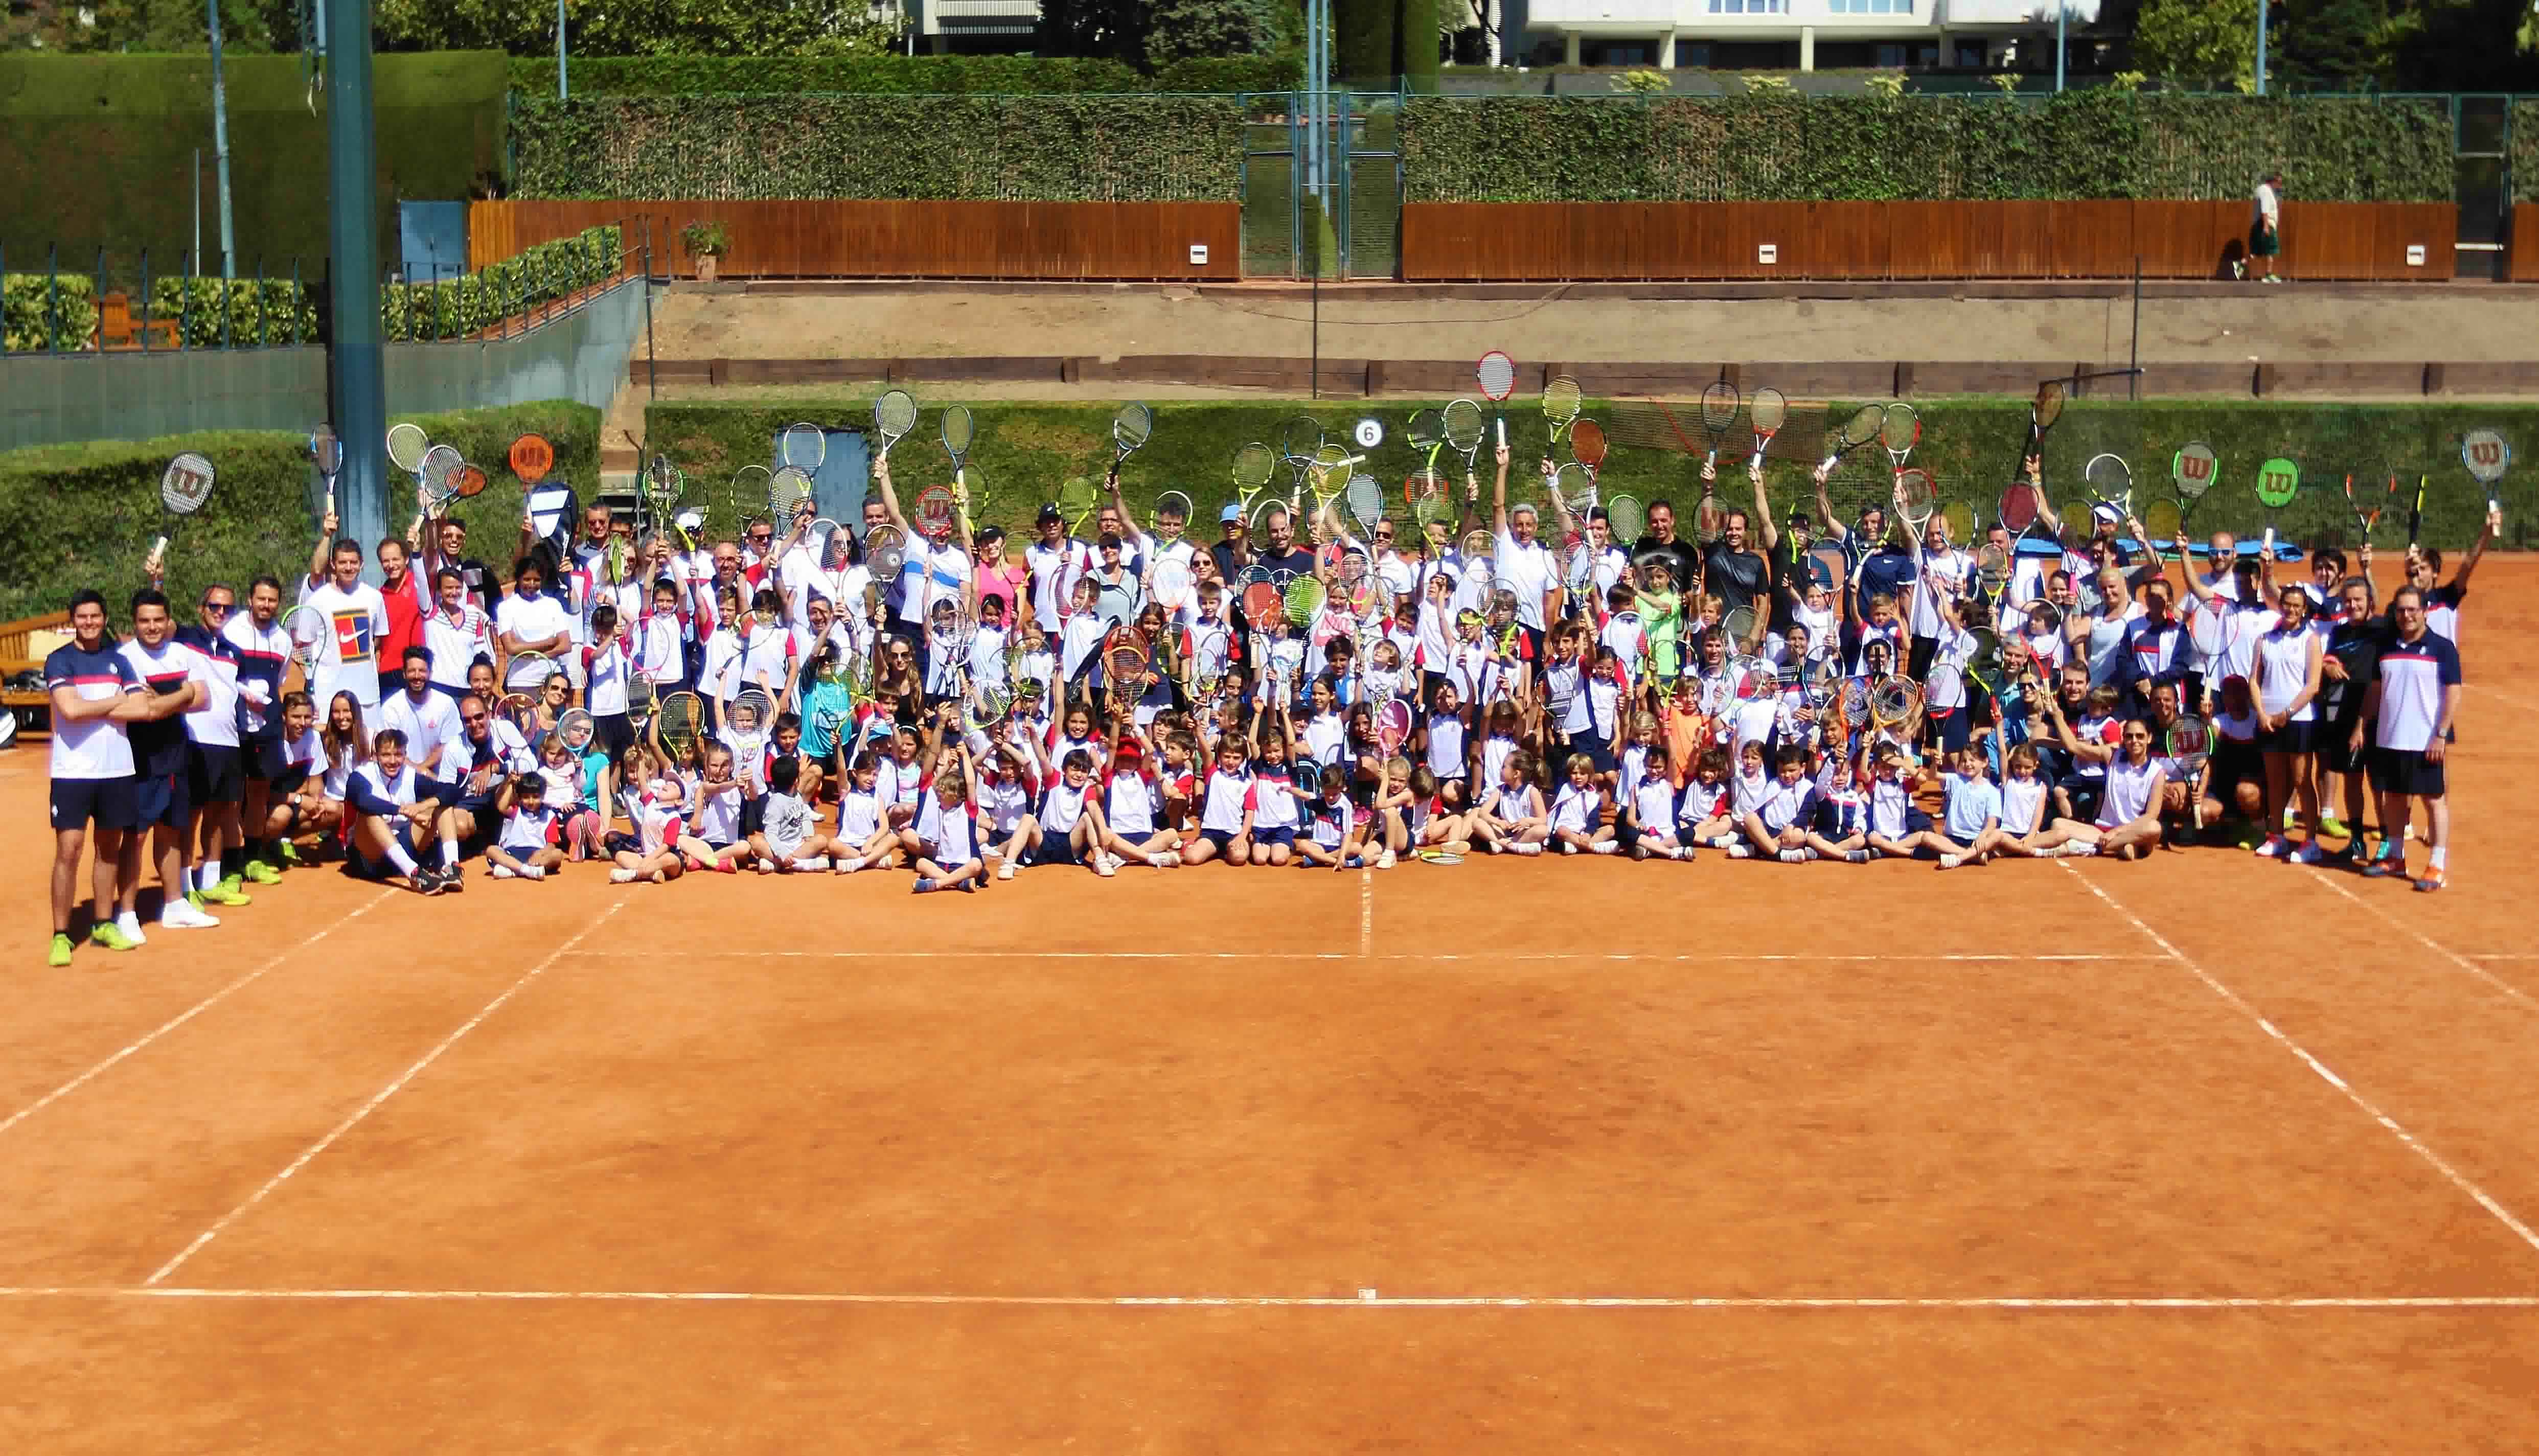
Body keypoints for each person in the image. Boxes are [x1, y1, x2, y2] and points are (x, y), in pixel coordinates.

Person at [2351, 586, 2460, 890]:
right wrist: (2361, 725)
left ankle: (2437, 864)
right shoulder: (2385, 647)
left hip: (2425, 739)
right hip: (2390, 736)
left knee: (2433, 801)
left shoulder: (2442, 647)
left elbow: (2453, 691)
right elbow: (2375, 690)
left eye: (2413, 609)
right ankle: (2396, 857)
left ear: (2424, 611)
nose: (2407, 615)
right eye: (2401, 610)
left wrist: (2441, 733)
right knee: (2395, 798)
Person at [2245, 169, 2283, 284]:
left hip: (2259, 223)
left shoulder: (2261, 190)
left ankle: (2240, 264)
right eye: (2279, 183)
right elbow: (2265, 210)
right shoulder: (2266, 192)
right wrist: (2266, 226)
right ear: (2273, 181)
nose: (2280, 186)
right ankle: (2269, 274)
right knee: (2271, 250)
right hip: (2266, 223)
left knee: (2257, 251)